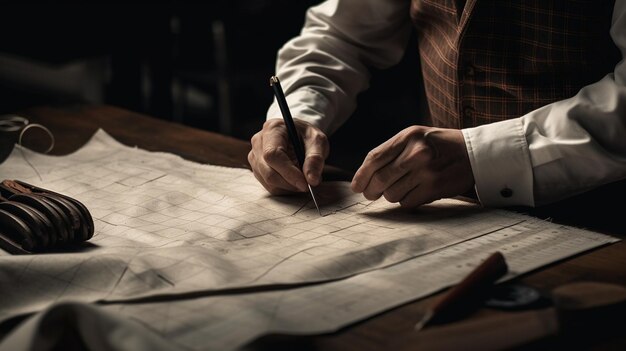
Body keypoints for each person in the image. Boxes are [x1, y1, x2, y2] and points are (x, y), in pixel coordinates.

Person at [248, 0, 626, 209]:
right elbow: (343, 33)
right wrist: (298, 113)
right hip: (447, 217)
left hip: (605, 221)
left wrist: (480, 158)